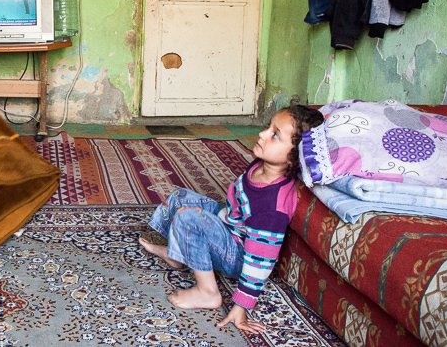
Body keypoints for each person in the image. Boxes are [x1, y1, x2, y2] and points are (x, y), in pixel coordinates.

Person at [139, 104, 325, 335]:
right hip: (229, 222)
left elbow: (261, 260)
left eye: (275, 135)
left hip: (237, 254)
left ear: (295, 157)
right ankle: (178, 255)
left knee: (188, 217)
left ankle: (207, 292)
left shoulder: (272, 206)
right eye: (268, 127)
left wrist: (241, 306)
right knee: (181, 197)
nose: (262, 134)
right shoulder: (261, 165)